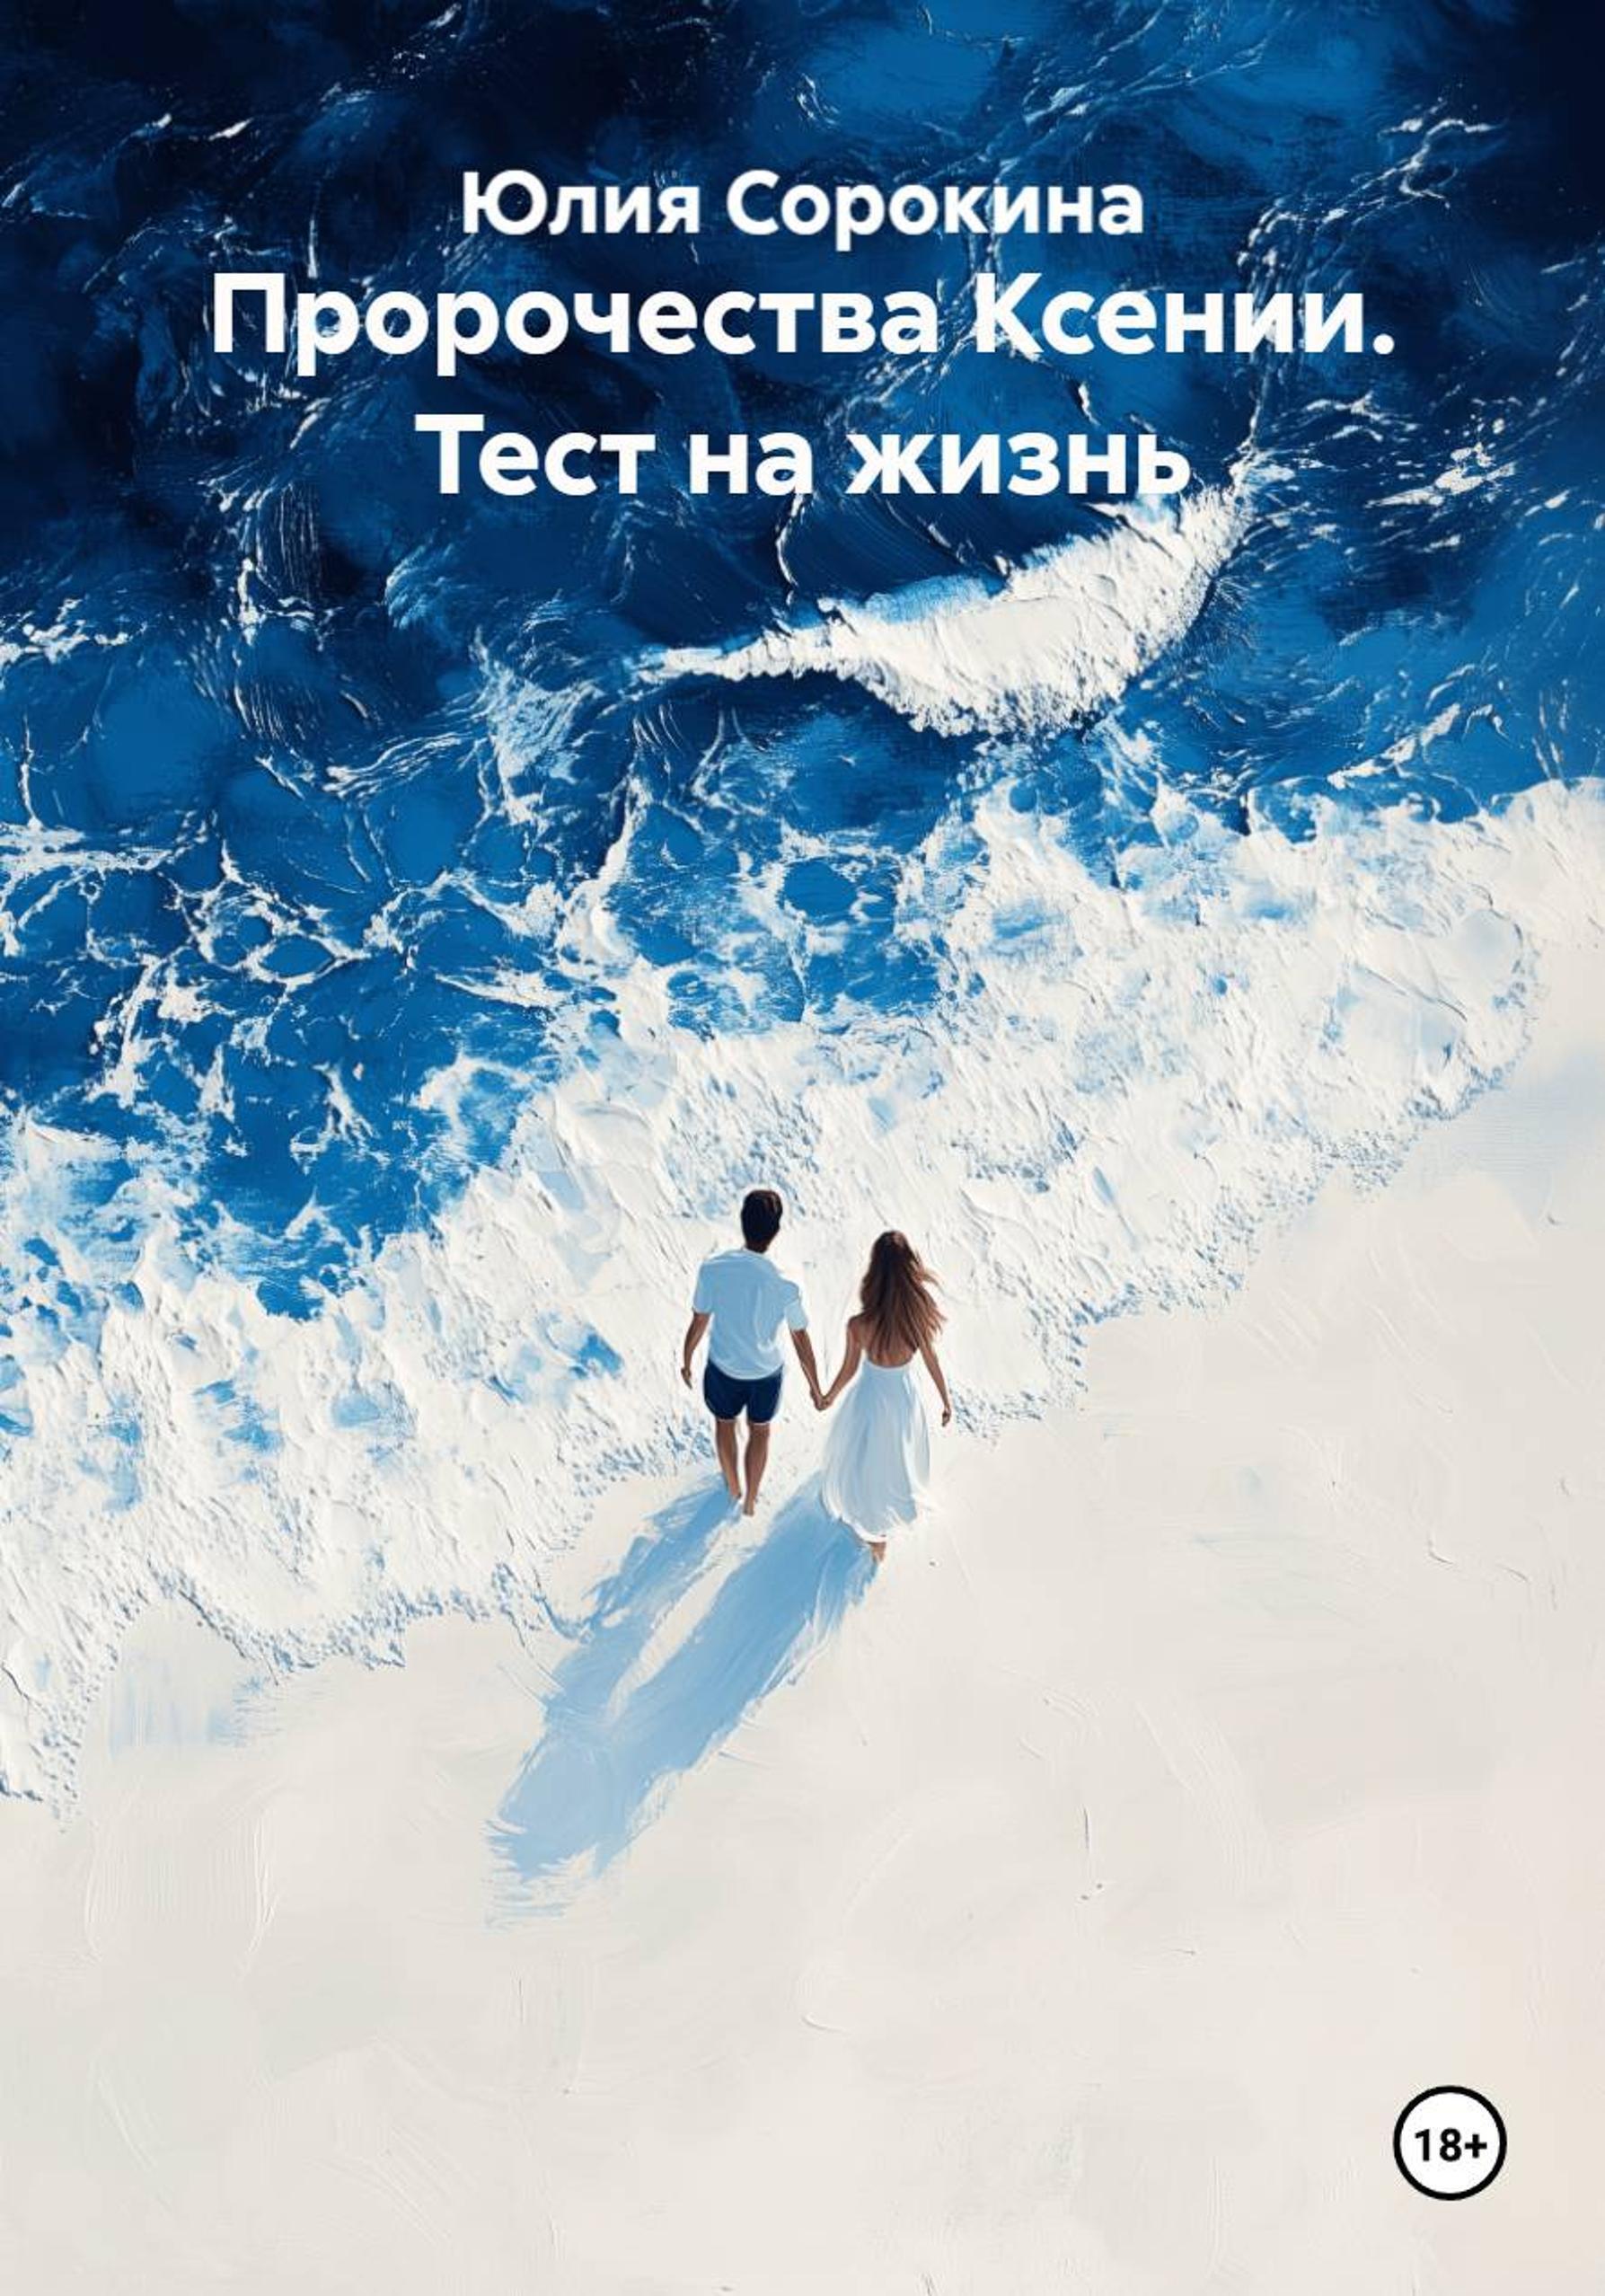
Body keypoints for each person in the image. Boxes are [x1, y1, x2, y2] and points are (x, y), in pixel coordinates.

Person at [682, 1188, 822, 1515]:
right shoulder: (786, 1283)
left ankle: (733, 1487)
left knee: (724, 1423)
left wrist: (686, 1359)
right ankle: (751, 1500)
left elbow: (699, 1320)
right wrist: (816, 1387)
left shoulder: (713, 1269)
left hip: (723, 1368)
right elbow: (801, 1339)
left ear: (743, 1221)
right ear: (776, 1230)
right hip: (766, 1373)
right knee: (760, 1431)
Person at [817, 1231, 952, 1565]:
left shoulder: (859, 1325)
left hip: (870, 1399)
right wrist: (945, 1400)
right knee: (895, 1460)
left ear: (873, 1272)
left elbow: (849, 1369)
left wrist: (829, 1395)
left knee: (865, 1461)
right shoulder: (917, 1318)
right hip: (903, 1399)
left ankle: (872, 1532)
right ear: (910, 1269)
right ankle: (883, 1531)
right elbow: (932, 1360)